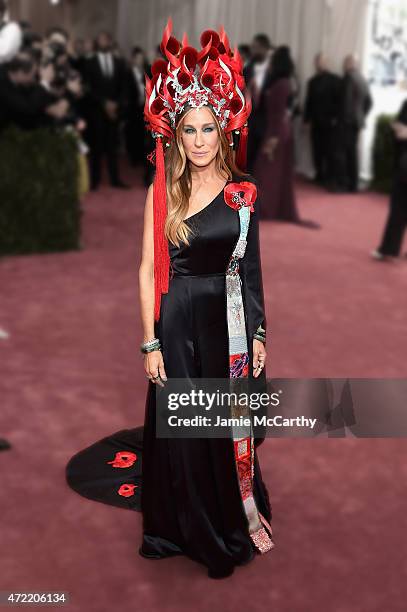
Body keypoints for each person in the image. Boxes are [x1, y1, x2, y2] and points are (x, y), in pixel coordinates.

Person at [66, 19, 274, 579]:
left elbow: (251, 268)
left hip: (227, 321)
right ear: (176, 136)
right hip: (177, 320)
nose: (201, 140)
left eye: (209, 128)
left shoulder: (242, 192)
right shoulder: (164, 192)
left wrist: (257, 330)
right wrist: (149, 341)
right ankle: (183, 526)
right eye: (190, 131)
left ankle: (236, 515)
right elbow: (144, 268)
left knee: (226, 424)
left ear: (224, 130)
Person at [253, 46, 301, 222]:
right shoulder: (280, 82)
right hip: (276, 129)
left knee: (267, 171)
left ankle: (266, 209)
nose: (269, 63)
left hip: (277, 131)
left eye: (272, 60)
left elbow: (281, 113)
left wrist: (273, 138)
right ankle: (270, 208)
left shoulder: (282, 84)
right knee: (272, 171)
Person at [82, 31, 129, 190]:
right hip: (97, 112)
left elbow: (124, 86)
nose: (104, 42)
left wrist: (117, 104)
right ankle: (94, 181)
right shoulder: (90, 63)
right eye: (100, 39)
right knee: (96, 148)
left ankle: (115, 179)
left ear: (110, 41)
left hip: (114, 112)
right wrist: (104, 103)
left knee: (112, 147)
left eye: (106, 39)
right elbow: (88, 88)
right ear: (97, 42)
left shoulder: (119, 62)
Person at [372, 99, 407, 261]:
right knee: (398, 207)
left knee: (399, 206)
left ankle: (388, 249)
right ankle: (389, 249)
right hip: (403, 162)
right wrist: (398, 128)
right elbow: (399, 125)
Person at [304, 53, 341, 188]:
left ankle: (329, 177)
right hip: (315, 121)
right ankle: (319, 175)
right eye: (317, 61)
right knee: (316, 149)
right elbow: (309, 102)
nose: (319, 64)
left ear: (327, 62)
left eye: (322, 61)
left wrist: (336, 118)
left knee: (329, 150)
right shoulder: (312, 81)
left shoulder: (336, 80)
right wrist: (306, 120)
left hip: (330, 122)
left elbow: (340, 102)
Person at [337, 54, 372, 193]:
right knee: (352, 153)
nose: (343, 65)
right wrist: (361, 116)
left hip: (346, 122)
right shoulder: (363, 79)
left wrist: (344, 120)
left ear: (349, 63)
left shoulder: (348, 77)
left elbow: (345, 102)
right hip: (356, 123)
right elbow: (369, 102)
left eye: (345, 62)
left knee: (341, 153)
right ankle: (354, 184)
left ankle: (344, 184)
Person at [244, 33, 274, 171]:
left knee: (264, 158)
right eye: (253, 47)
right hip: (249, 119)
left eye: (256, 47)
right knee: (248, 156)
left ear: (264, 48)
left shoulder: (273, 71)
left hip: (267, 120)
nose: (253, 50)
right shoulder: (247, 69)